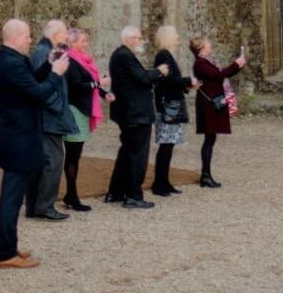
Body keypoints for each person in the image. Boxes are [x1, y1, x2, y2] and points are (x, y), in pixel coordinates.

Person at [0, 19, 70, 268]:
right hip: (17, 139)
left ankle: (9, 246)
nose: (29, 40)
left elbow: (31, 83)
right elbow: (37, 94)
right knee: (11, 198)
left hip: (17, 136)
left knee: (12, 197)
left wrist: (48, 68)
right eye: (26, 36)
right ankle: (5, 253)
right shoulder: (10, 64)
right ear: (15, 37)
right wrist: (56, 76)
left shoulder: (13, 61)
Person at [106, 26, 171, 209]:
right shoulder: (125, 56)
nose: (141, 41)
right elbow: (141, 77)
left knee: (127, 152)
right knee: (137, 155)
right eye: (139, 38)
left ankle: (116, 191)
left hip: (129, 113)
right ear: (129, 39)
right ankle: (133, 195)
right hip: (135, 114)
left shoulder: (121, 55)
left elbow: (137, 77)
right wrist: (159, 71)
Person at [26, 19, 77, 221]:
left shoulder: (45, 51)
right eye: (64, 33)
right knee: (53, 161)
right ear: (55, 34)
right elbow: (40, 86)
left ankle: (36, 205)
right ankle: (44, 206)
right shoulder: (43, 53)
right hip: (47, 118)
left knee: (44, 162)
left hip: (47, 117)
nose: (66, 37)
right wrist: (58, 106)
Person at [61, 29, 112, 211]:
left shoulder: (81, 60)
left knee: (75, 154)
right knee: (73, 155)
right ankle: (71, 196)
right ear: (72, 43)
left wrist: (104, 94)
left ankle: (71, 195)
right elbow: (77, 87)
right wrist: (100, 84)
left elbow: (89, 84)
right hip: (75, 110)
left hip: (81, 110)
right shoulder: (71, 61)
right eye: (83, 40)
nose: (86, 43)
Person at [192, 37, 247, 188]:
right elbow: (219, 75)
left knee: (211, 139)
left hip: (211, 103)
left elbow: (221, 74)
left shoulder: (205, 61)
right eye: (208, 42)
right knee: (209, 139)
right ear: (202, 47)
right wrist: (237, 64)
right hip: (209, 105)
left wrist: (237, 65)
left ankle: (206, 175)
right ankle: (205, 176)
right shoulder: (200, 63)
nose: (211, 44)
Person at [150, 25, 198, 197]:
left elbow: (172, 81)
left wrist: (187, 84)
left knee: (169, 145)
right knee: (166, 145)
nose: (178, 37)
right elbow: (168, 81)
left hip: (171, 104)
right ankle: (159, 184)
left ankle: (164, 181)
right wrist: (188, 80)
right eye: (176, 35)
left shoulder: (168, 56)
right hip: (167, 107)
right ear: (168, 38)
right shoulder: (163, 55)